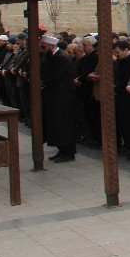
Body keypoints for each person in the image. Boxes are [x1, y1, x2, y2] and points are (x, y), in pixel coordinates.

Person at [40, 34, 78, 162]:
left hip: (63, 97)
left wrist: (45, 84)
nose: (42, 50)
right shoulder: (52, 56)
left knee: (64, 125)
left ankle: (68, 152)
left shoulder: (62, 57)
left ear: (51, 46)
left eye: (44, 47)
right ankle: (61, 150)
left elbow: (57, 77)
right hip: (55, 97)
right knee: (56, 125)